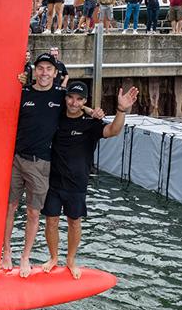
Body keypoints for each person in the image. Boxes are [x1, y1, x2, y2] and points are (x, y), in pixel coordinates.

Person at [40, 82, 138, 278]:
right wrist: (88, 109)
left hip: (77, 184)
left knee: (74, 222)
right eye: (71, 97)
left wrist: (121, 110)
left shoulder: (90, 123)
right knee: (51, 221)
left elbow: (113, 131)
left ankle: (70, 260)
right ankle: (53, 258)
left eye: (79, 99)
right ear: (66, 98)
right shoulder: (57, 117)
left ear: (85, 100)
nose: (74, 102)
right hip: (53, 181)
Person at [2, 53, 66, 277]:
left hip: (41, 164)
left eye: (49, 68)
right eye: (41, 68)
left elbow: (78, 108)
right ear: (34, 71)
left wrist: (92, 111)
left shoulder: (61, 96)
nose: (44, 72)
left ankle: (25, 256)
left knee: (33, 213)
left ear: (56, 73)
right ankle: (7, 250)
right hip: (17, 160)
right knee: (9, 207)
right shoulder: (23, 92)